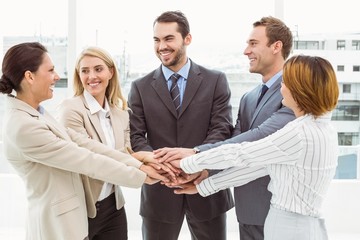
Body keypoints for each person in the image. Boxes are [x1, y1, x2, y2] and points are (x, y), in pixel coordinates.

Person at [0, 42, 168, 240]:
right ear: (29, 76)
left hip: (85, 213)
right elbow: (86, 160)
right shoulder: (24, 126)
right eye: (51, 70)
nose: (57, 77)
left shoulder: (37, 114)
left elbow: (86, 145)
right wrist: (141, 175)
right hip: (60, 223)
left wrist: (138, 163)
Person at [168, 54, 340, 240]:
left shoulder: (299, 133)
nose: (281, 87)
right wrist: (205, 186)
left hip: (288, 227)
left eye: (285, 82)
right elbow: (259, 168)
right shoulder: (324, 128)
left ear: (298, 89)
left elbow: (242, 153)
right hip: (307, 226)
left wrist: (188, 162)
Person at [154, 16, 295, 239]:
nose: (246, 51)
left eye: (253, 43)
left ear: (277, 46)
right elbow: (234, 142)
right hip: (247, 210)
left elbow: (259, 137)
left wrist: (195, 154)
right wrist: (206, 172)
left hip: (280, 210)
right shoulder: (249, 98)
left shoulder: (295, 94)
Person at [128, 10, 234, 240]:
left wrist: (197, 164)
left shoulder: (215, 81)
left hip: (207, 187)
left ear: (187, 39)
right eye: (156, 40)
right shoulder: (140, 87)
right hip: (160, 190)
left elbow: (221, 130)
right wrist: (166, 168)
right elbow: (136, 137)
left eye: (168, 39)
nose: (161, 46)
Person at [58, 46, 138, 239]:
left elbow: (126, 155)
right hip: (82, 209)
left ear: (111, 72)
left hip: (114, 207)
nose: (91, 76)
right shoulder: (71, 109)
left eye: (98, 69)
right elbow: (87, 159)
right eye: (85, 71)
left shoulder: (121, 115)